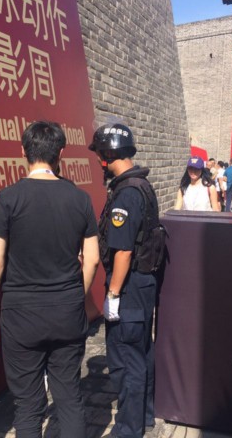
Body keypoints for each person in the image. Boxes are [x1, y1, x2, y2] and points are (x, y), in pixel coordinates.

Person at [0, 121, 99, 438]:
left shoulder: (6, 199)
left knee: (28, 405)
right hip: (67, 311)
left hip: (21, 315)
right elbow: (92, 258)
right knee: (69, 398)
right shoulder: (80, 199)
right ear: (61, 153)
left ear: (23, 152)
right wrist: (75, 296)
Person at [89, 123, 159, 437]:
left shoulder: (126, 193)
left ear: (108, 154)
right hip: (142, 284)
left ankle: (128, 429)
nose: (98, 161)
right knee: (141, 351)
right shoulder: (141, 184)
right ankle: (144, 416)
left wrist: (113, 294)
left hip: (128, 287)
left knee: (127, 359)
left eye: (99, 155)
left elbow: (123, 251)